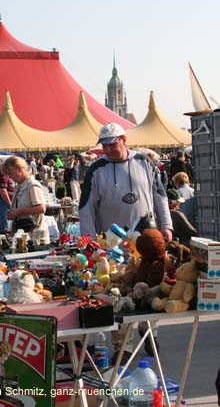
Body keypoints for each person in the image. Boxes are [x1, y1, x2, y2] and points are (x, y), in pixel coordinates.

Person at [79, 122, 173, 364]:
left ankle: (149, 331)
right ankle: (122, 346)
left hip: (146, 239)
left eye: (112, 144)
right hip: (112, 245)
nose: (108, 149)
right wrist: (89, 242)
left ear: (124, 139)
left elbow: (160, 196)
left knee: (150, 287)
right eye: (104, 146)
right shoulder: (96, 170)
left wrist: (167, 226)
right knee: (118, 293)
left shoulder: (144, 162)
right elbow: (86, 207)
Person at [2, 156, 50, 244]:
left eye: (11, 173)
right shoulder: (19, 186)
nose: (10, 177)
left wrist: (19, 211)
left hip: (35, 237)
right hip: (24, 235)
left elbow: (41, 208)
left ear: (19, 169)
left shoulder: (32, 185)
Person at [0, 162, 14, 233]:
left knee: (5, 221)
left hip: (2, 201)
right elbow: (3, 190)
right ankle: (5, 238)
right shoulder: (2, 175)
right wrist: (10, 203)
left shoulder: (2, 175)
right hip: (2, 201)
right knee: (4, 223)